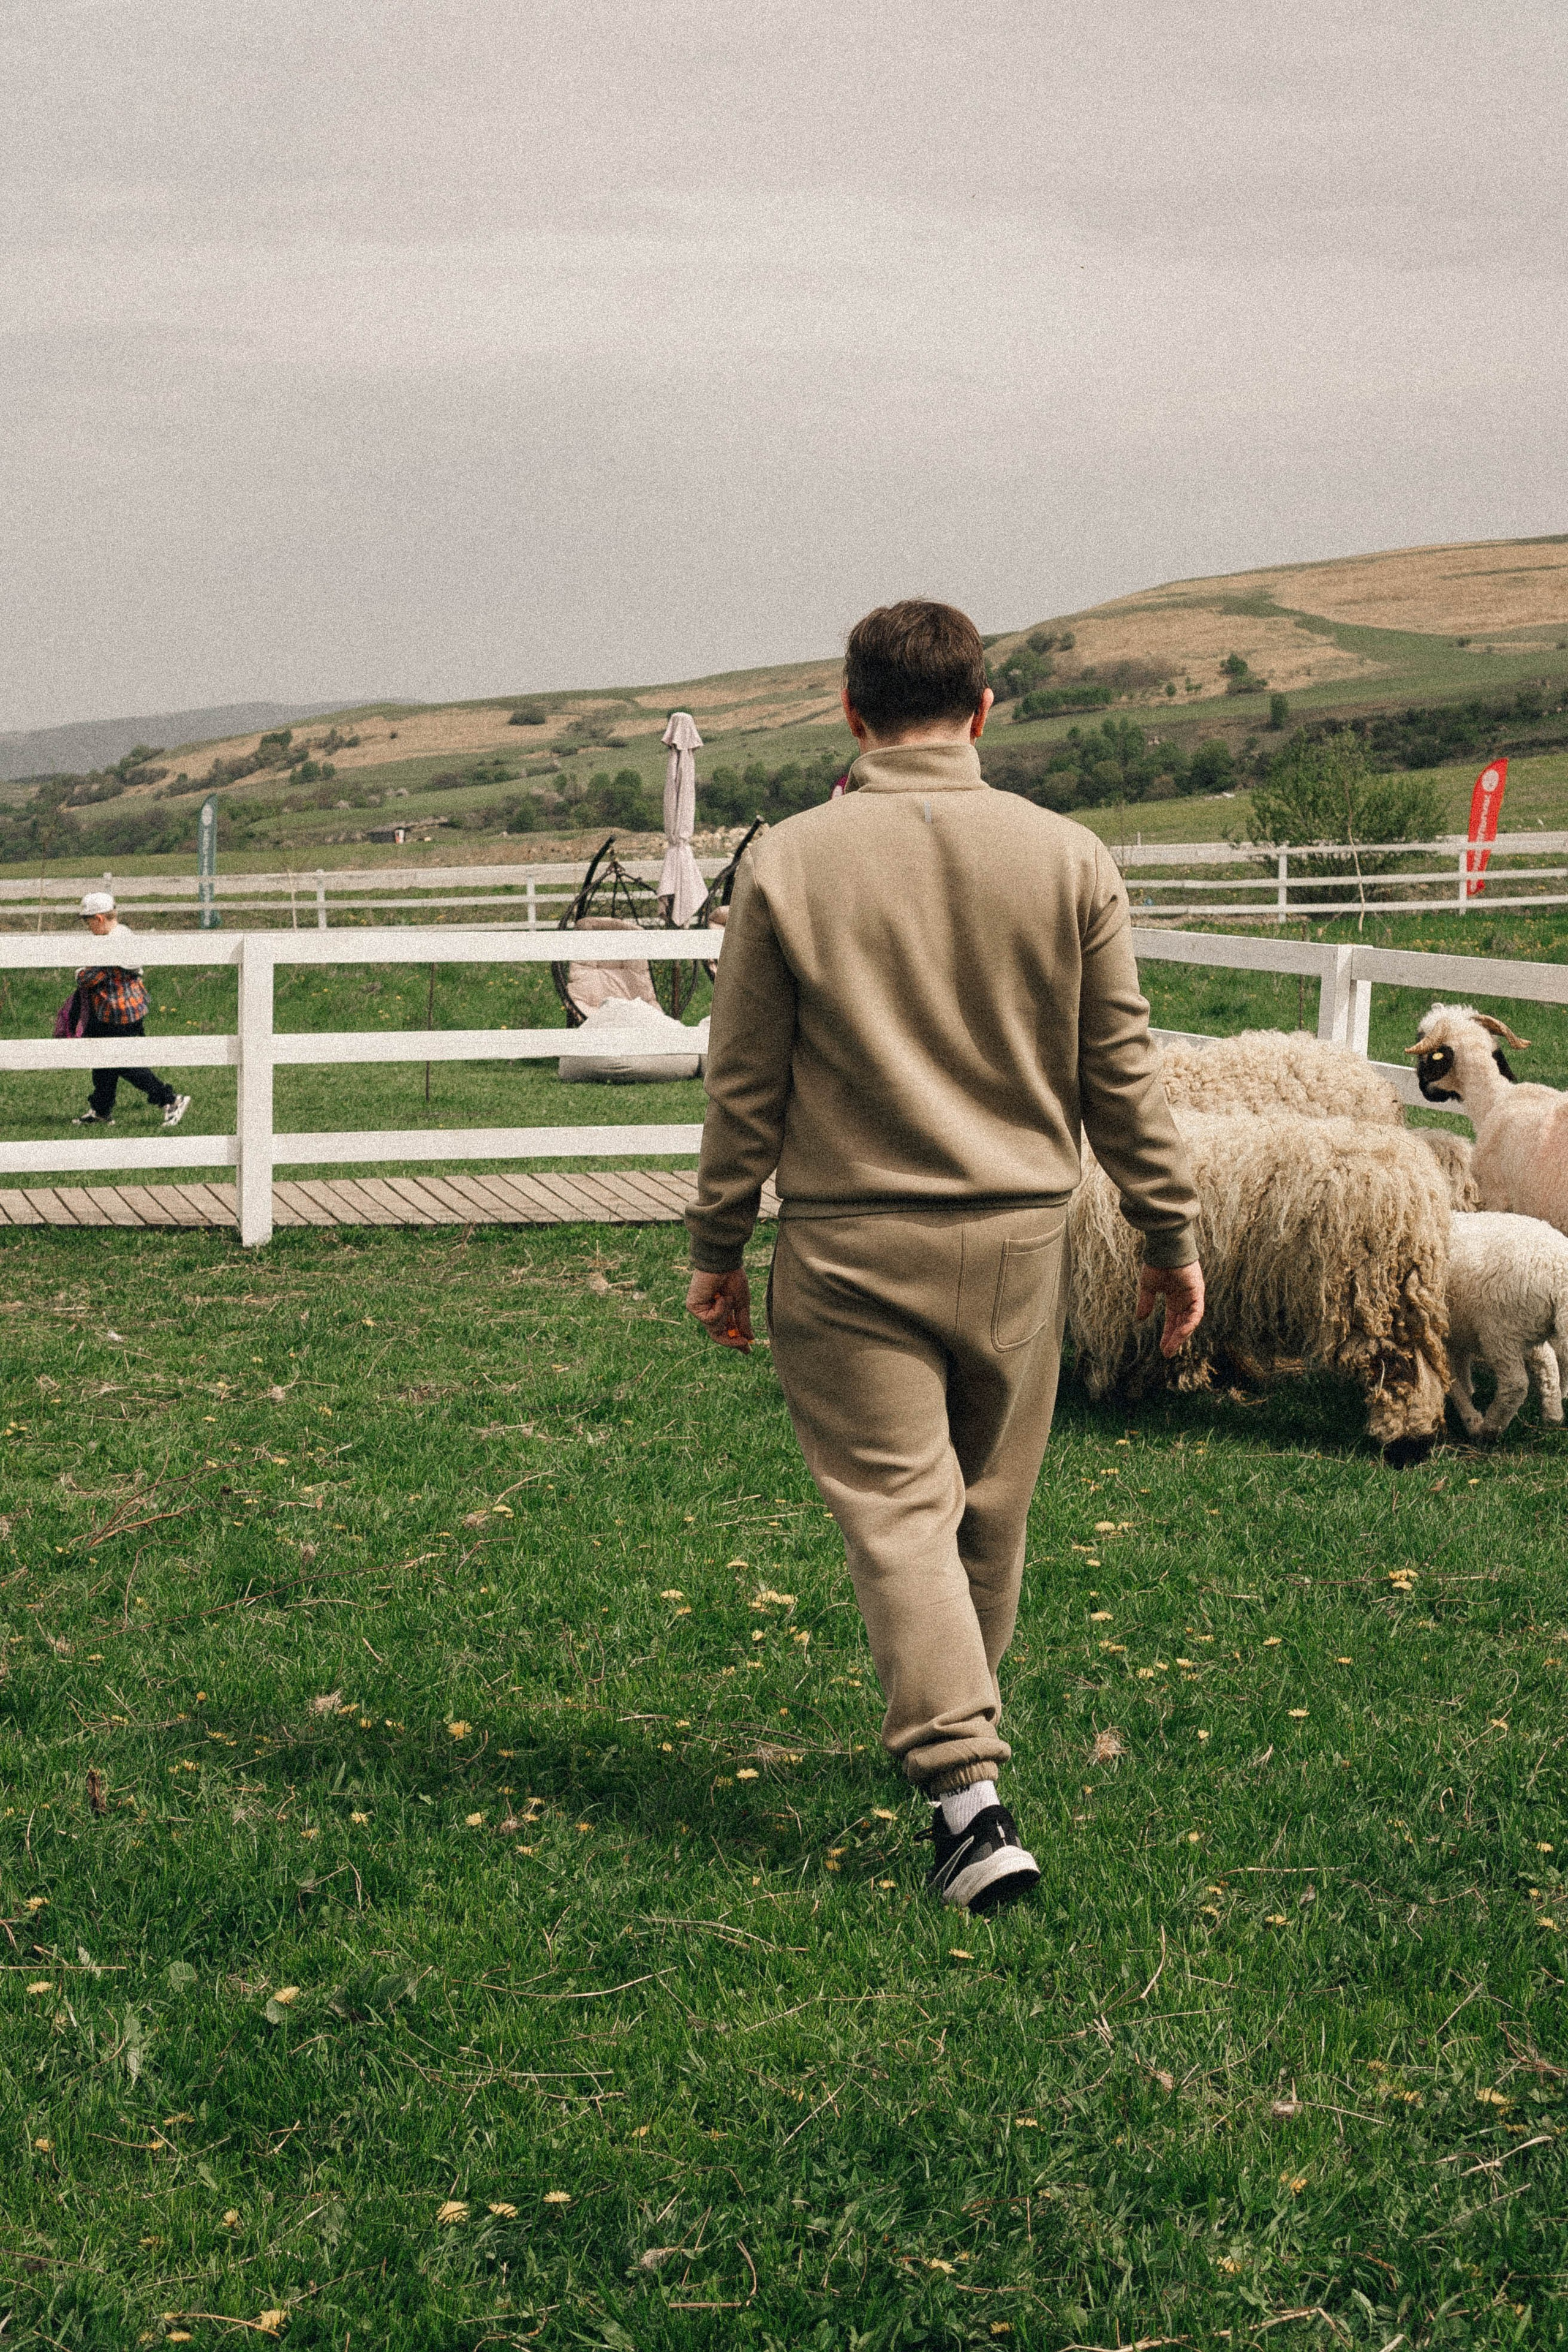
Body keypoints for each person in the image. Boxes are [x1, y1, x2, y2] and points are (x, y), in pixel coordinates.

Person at [684, 600, 1203, 1916]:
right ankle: (961, 1758)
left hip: (852, 1245)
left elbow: (743, 1083)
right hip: (1022, 1241)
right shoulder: (1068, 857)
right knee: (984, 1512)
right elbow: (1122, 1073)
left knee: (899, 1516)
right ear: (981, 709)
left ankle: (967, 1807)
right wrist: (1168, 1232)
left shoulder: (788, 864)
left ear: (850, 712)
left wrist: (718, 1243)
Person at [69, 891, 190, 1129]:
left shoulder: (111, 944)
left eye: (88, 921)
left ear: (99, 919)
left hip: (118, 1014)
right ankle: (101, 1110)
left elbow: (89, 978)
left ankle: (170, 1099)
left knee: (122, 1062)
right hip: (121, 1012)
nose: (88, 927)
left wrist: (79, 973)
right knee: (104, 1062)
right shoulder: (123, 934)